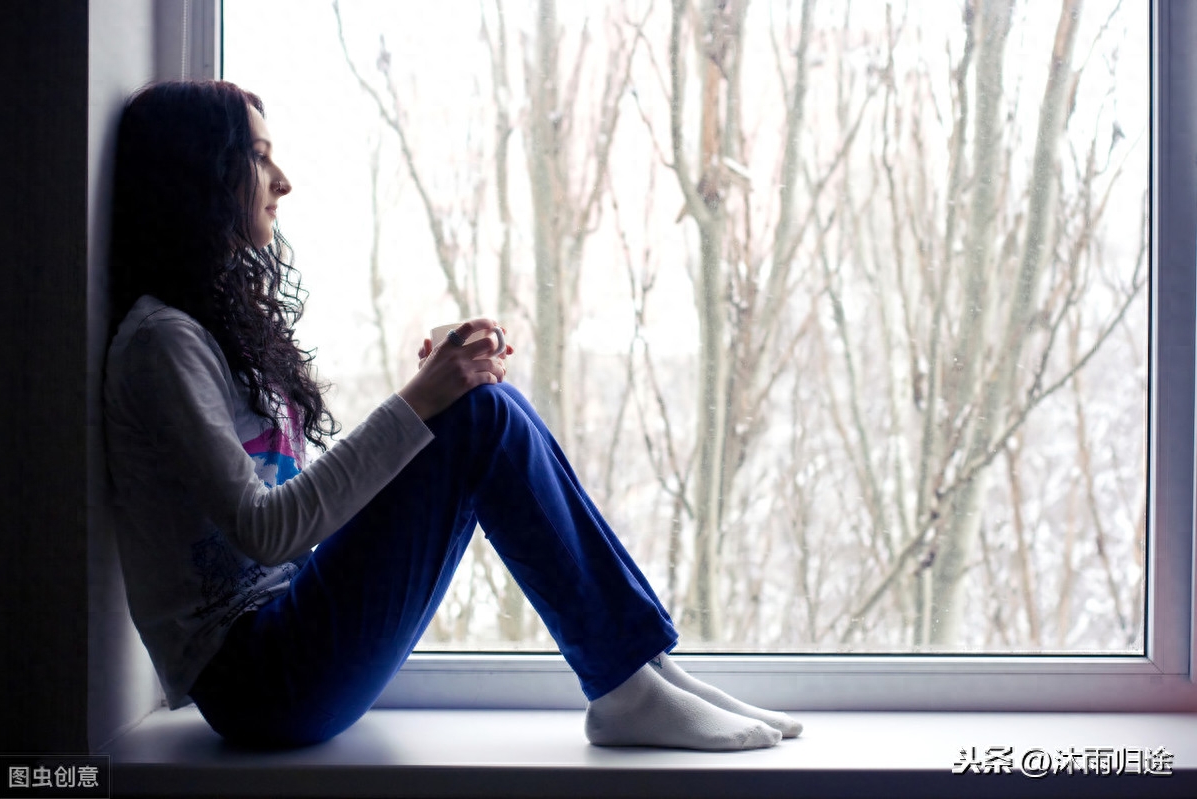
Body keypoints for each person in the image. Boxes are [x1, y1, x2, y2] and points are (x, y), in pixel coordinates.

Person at [103, 79, 801, 751]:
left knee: (480, 405)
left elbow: (300, 515)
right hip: (259, 681)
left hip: (289, 644)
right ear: (200, 175)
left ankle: (644, 668)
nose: (281, 181)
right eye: (258, 158)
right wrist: (419, 405)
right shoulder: (161, 342)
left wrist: (429, 405)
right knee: (476, 417)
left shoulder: (207, 331)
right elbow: (267, 530)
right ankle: (626, 681)